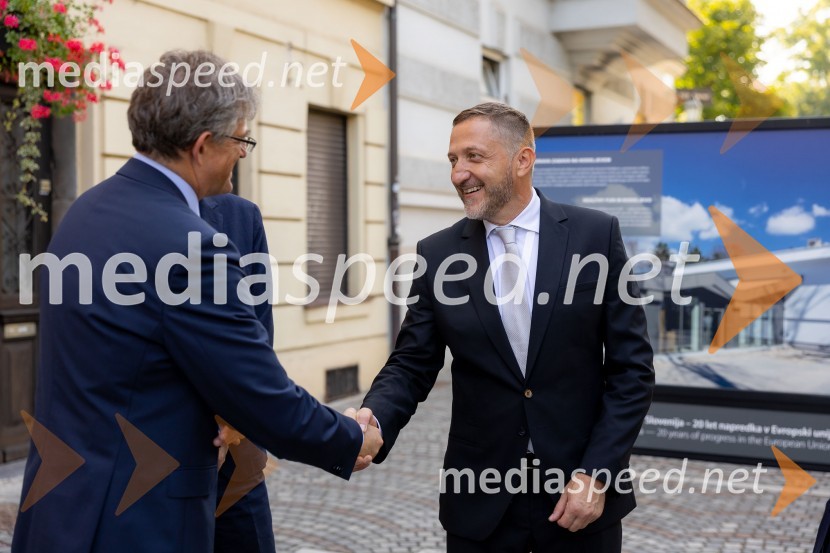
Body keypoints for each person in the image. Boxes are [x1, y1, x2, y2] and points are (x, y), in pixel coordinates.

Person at [12, 50, 380, 553]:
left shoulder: (84, 212)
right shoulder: (189, 244)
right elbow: (255, 389)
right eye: (241, 140)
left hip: (64, 512)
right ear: (203, 146)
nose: (243, 154)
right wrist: (350, 438)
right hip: (138, 522)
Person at [356, 103, 654, 552]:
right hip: (480, 503)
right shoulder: (437, 255)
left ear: (523, 159)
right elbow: (413, 362)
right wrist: (374, 417)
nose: (459, 174)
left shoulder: (596, 235)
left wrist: (597, 472)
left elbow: (632, 371)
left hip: (578, 498)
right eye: (454, 161)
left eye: (474, 157)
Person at [200, 193, 276, 553]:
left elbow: (258, 332)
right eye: (239, 141)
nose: (243, 154)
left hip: (237, 445)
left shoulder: (242, 216)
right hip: (157, 456)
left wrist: (233, 425)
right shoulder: (124, 213)